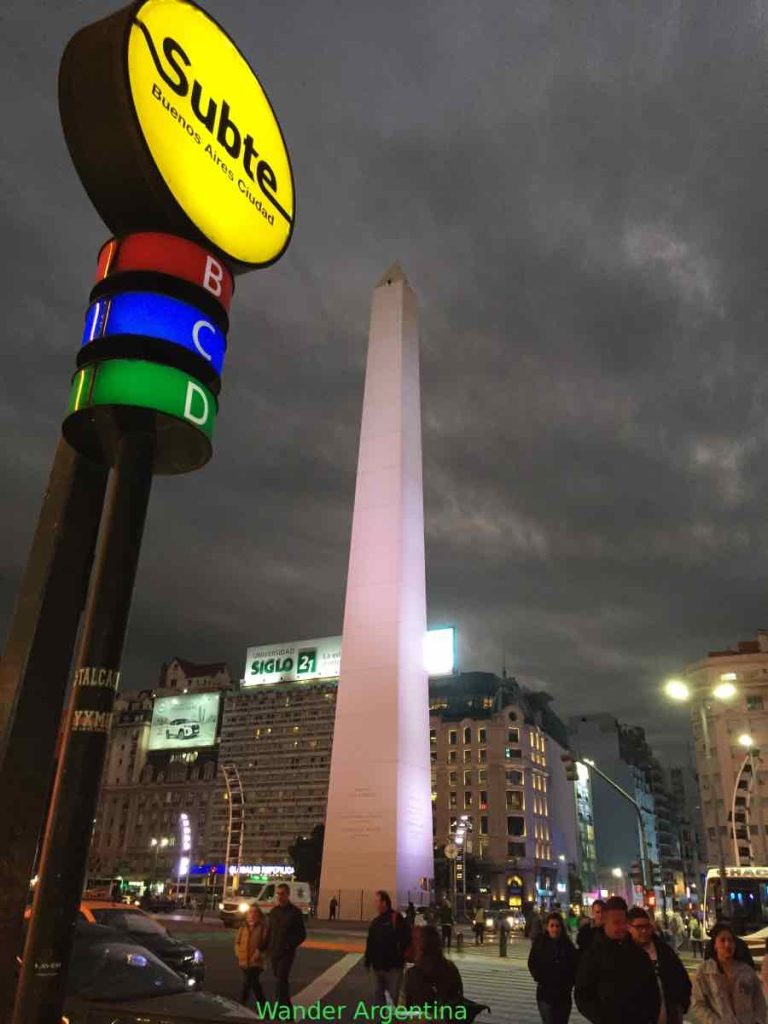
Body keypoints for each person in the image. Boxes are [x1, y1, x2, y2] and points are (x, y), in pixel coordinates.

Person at [575, 896, 661, 1024]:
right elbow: (583, 995)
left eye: (624, 923)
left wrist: (650, 1016)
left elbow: (651, 989)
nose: (621, 927)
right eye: (616, 923)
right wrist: (603, 1018)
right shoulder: (594, 954)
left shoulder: (637, 951)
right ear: (605, 921)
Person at [626, 906, 691, 1024]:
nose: (644, 931)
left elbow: (682, 977)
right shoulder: (625, 954)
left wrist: (682, 1004)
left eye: (647, 926)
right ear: (629, 928)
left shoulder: (663, 950)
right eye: (639, 927)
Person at [691, 922, 766, 1024]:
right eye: (722, 940)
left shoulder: (747, 971)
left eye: (730, 940)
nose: (727, 944)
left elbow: (759, 1000)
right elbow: (698, 1004)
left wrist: (758, 1021)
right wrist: (713, 1022)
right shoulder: (704, 972)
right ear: (715, 945)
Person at [528, 911, 578, 1024]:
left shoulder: (567, 946)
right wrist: (539, 977)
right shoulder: (540, 943)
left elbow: (575, 965)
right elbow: (532, 962)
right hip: (545, 994)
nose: (555, 929)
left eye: (557, 926)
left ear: (561, 927)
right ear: (547, 927)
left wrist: (570, 982)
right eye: (552, 926)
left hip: (563, 994)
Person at [365, 890, 411, 1005]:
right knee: (378, 998)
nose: (375, 904)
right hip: (377, 968)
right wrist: (367, 961)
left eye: (377, 901)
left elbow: (406, 938)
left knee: (394, 998)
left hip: (393, 968)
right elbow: (370, 942)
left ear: (384, 902)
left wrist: (399, 957)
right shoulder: (375, 922)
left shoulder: (397, 918)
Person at [265, 882, 307, 1008]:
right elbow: (269, 932)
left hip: (286, 953)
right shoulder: (273, 912)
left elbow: (302, 934)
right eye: (278, 894)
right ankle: (287, 1007)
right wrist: (263, 948)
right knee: (280, 980)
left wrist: (289, 945)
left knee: (280, 980)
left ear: (288, 895)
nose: (279, 896)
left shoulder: (295, 913)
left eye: (282, 894)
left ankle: (280, 1009)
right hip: (274, 952)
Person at [235, 906, 267, 1008]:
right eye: (250, 912)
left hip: (256, 962)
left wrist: (260, 955)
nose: (252, 915)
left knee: (249, 983)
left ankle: (241, 1005)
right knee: (252, 984)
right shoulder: (243, 927)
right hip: (244, 961)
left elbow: (266, 944)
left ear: (258, 915)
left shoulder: (262, 928)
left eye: (254, 912)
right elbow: (237, 942)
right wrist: (239, 954)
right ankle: (263, 1007)